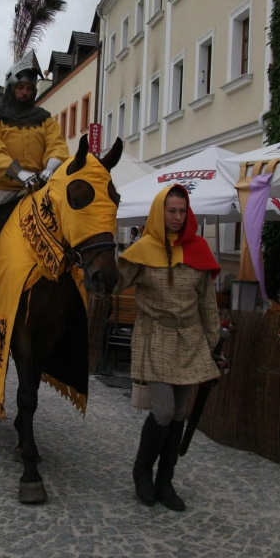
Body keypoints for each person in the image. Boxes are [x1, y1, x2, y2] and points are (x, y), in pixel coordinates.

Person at [118, 184, 221, 512]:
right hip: (156, 337)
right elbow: (114, 282)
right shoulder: (143, 249)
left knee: (178, 414)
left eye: (181, 210)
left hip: (190, 340)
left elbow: (206, 300)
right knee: (162, 412)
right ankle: (141, 473)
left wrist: (212, 338)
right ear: (160, 212)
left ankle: (166, 480)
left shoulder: (198, 249)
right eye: (171, 210)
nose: (177, 216)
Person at [0, 50, 69, 327]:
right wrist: (20, 173)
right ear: (10, 86)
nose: (25, 92)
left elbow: (58, 147)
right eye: (20, 86)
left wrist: (47, 171)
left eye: (30, 88)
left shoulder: (45, 118)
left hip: (40, 188)